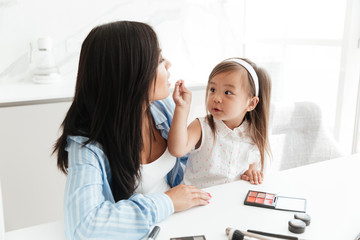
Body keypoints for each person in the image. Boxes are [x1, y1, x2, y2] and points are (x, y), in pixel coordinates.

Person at [53, 21, 211, 240]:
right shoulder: (86, 145)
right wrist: (167, 202)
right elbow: (84, 228)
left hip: (180, 222)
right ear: (132, 74)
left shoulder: (162, 108)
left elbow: (190, 165)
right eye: (159, 60)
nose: (169, 64)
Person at [168, 58, 272, 189]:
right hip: (197, 203)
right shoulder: (201, 126)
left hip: (229, 201)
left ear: (251, 103)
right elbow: (176, 150)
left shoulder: (254, 133)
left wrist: (251, 172)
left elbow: (252, 166)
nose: (216, 98)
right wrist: (182, 108)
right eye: (212, 89)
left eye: (228, 92)